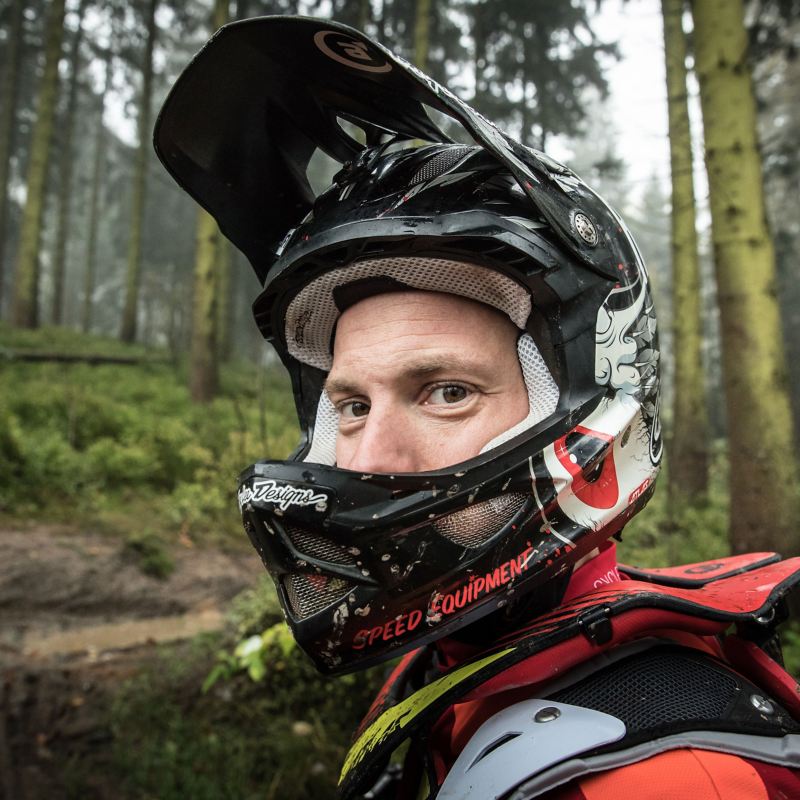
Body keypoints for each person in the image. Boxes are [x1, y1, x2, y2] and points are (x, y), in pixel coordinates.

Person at [154, 16, 800, 799]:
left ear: (587, 415)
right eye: (350, 405)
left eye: (447, 392)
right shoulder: (459, 659)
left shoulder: (667, 780)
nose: (365, 456)